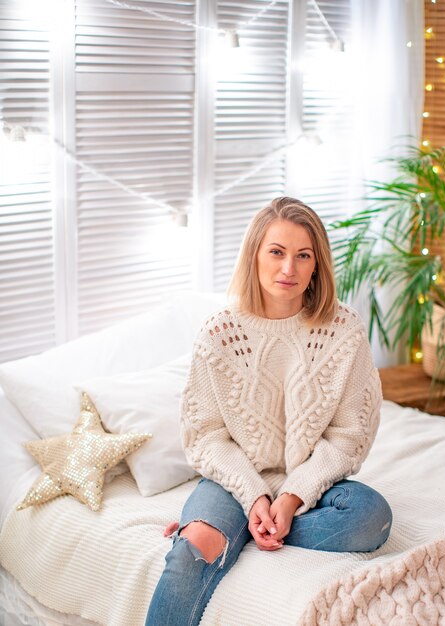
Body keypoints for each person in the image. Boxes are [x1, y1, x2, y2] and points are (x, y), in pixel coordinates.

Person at [145, 197, 392, 626]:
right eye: (276, 252)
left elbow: (349, 434)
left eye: (303, 256)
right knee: (190, 554)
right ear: (255, 254)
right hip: (235, 481)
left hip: (311, 486)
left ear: (318, 264)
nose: (288, 270)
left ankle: (240, 533)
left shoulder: (344, 330)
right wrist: (254, 496)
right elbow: (206, 436)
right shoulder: (220, 333)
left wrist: (292, 496)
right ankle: (226, 528)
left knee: (372, 518)